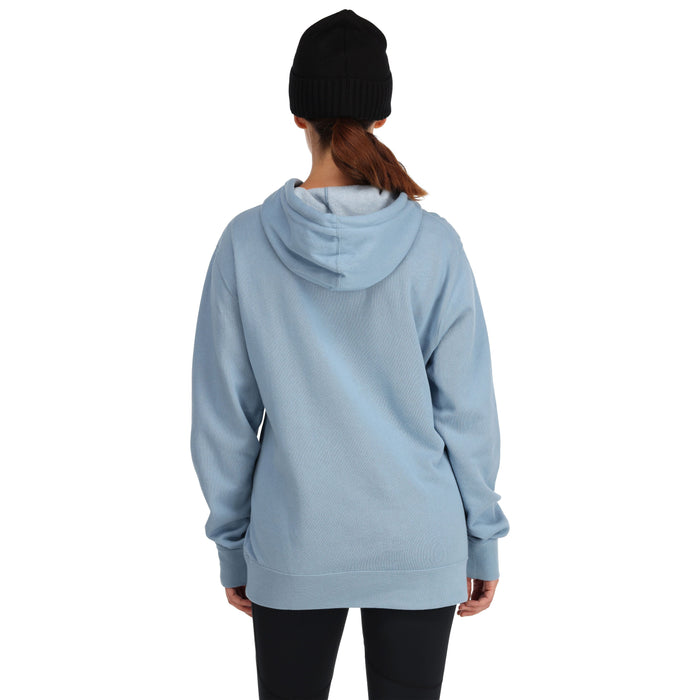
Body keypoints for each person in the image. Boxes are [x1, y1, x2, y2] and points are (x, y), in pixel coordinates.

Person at [190, 9, 510, 700]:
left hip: (293, 541)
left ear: (296, 114)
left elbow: (222, 418)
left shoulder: (245, 244)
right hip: (419, 540)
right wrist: (482, 535)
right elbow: (468, 413)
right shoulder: (435, 245)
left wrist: (233, 545)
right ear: (382, 116)